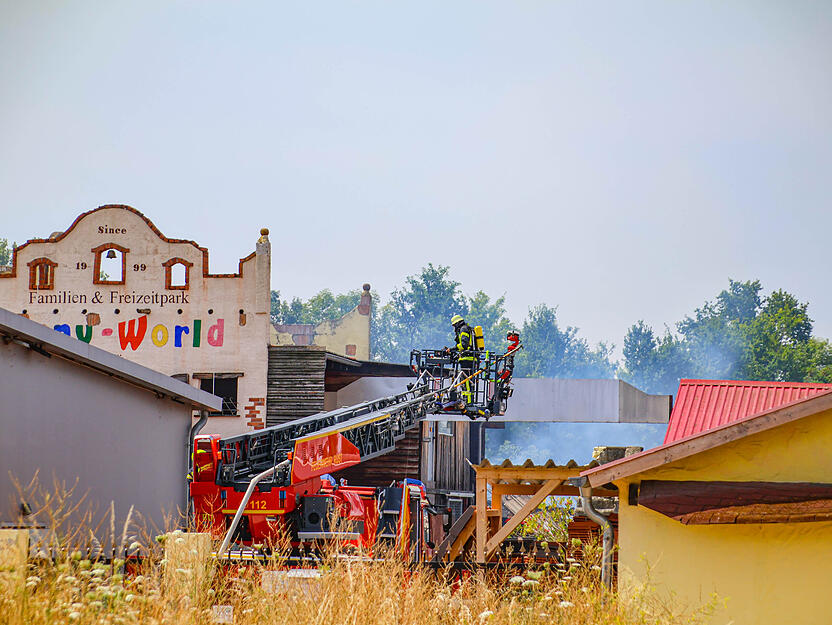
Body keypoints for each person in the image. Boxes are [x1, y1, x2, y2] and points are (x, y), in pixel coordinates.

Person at [450, 314, 476, 404]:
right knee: (466, 381)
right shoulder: (466, 328)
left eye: (454, 325)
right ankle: (467, 400)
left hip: (467, 359)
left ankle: (468, 401)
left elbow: (464, 345)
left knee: (466, 381)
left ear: (457, 323)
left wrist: (452, 349)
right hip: (469, 359)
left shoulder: (463, 329)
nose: (454, 328)